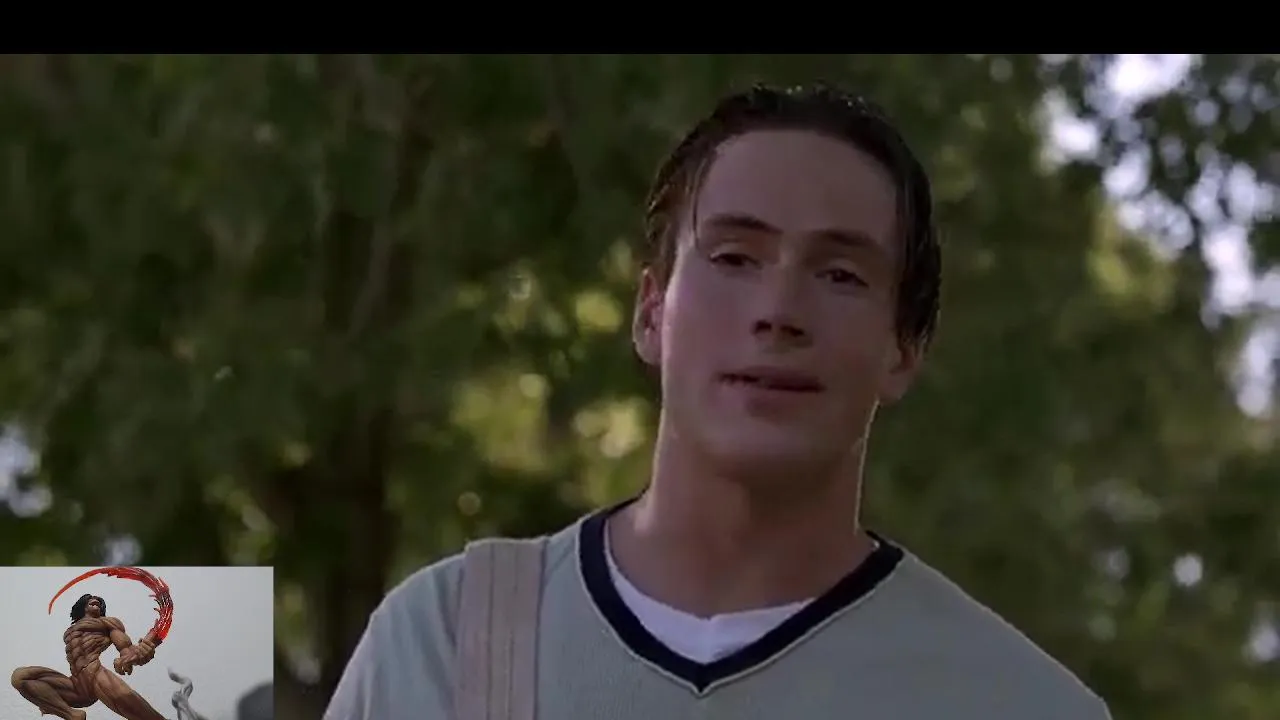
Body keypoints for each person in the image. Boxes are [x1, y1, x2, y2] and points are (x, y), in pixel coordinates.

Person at [324, 83, 1111, 719]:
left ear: (903, 348)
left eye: (840, 274)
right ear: (650, 312)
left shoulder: (1018, 703)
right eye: (735, 257)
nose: (778, 310)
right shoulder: (445, 638)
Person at [11, 593, 167, 720]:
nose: (96, 600)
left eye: (99, 602)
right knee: (20, 677)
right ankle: (72, 715)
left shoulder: (108, 623)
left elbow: (126, 648)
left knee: (145, 716)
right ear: (82, 605)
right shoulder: (71, 630)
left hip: (96, 673)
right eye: (91, 599)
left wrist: (138, 654)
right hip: (77, 684)